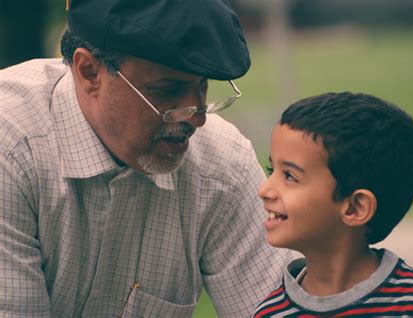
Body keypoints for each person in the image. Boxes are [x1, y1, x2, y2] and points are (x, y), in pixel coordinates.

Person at [0, 0, 292, 316]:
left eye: (203, 87)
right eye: (167, 90)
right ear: (89, 72)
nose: (197, 119)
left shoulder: (222, 165)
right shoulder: (11, 147)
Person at [254, 92, 413, 317]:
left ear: (355, 208)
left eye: (290, 176)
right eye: (272, 170)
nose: (264, 190)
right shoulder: (269, 313)